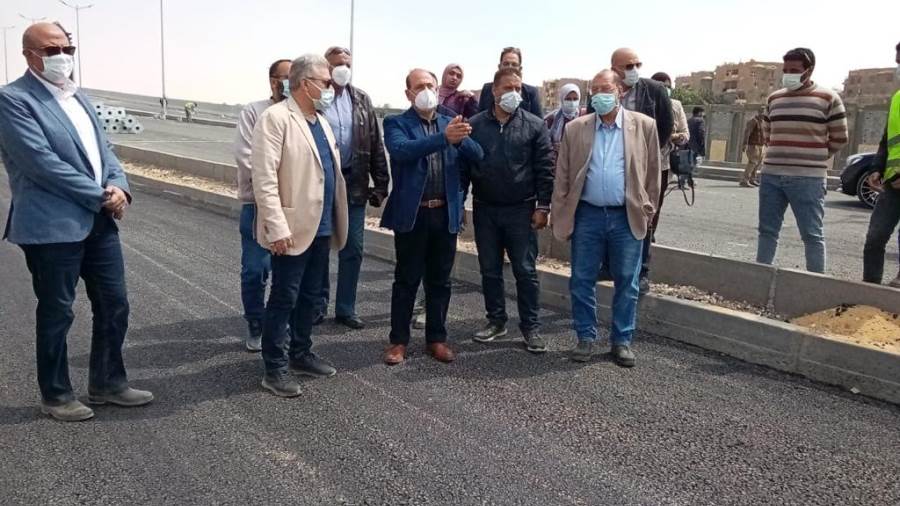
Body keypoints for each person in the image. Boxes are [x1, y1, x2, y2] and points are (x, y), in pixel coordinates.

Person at [0, 22, 153, 421]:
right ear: (29, 55)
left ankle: (108, 383)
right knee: (58, 311)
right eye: (52, 50)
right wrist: (101, 196)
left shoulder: (78, 96)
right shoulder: (13, 100)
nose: (62, 57)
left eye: (67, 48)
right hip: (51, 227)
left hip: (99, 223)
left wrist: (119, 186)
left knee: (115, 303)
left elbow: (106, 151)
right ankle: (56, 394)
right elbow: (41, 164)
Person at [251, 54, 349, 397]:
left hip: (321, 226)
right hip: (291, 228)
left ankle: (301, 352)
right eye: (325, 82)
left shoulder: (320, 120)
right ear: (305, 84)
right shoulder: (276, 118)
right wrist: (276, 227)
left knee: (310, 296)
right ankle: (274, 367)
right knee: (284, 298)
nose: (330, 87)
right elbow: (264, 178)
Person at [551, 70, 661, 368]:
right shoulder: (576, 128)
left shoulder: (644, 126)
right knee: (582, 279)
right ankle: (585, 336)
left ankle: (621, 340)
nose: (600, 95)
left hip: (626, 216)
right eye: (595, 90)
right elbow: (563, 174)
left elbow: (653, 173)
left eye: (606, 89)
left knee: (627, 281)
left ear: (620, 91)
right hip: (587, 215)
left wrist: (648, 208)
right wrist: (560, 211)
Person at [380, 68, 483, 366]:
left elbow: (478, 155)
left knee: (440, 281)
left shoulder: (450, 121)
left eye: (430, 85)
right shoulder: (396, 123)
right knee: (406, 280)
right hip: (413, 215)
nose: (426, 90)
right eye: (420, 86)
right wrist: (444, 138)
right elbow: (401, 151)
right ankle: (398, 341)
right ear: (408, 93)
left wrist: (459, 138)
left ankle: (436, 339)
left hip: (444, 213)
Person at [462, 67, 554, 353]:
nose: (514, 93)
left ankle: (531, 327)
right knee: (489, 270)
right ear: (494, 91)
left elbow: (545, 168)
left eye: (518, 89)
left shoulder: (535, 125)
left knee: (525, 271)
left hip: (521, 211)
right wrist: (459, 207)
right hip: (485, 209)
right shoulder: (475, 125)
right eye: (508, 88)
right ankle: (496, 321)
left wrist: (543, 206)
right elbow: (464, 168)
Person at [756, 47, 848, 274]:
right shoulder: (774, 98)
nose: (789, 75)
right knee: (767, 231)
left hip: (808, 178)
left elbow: (840, 137)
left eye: (794, 70)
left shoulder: (828, 98)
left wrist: (814, 156)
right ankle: (759, 279)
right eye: (786, 70)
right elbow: (767, 133)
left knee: (812, 234)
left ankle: (815, 283)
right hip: (771, 176)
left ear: (809, 70)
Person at [317, 46, 390, 330]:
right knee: (319, 246)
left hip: (354, 184)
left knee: (353, 249)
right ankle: (317, 304)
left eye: (347, 63)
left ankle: (346, 308)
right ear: (326, 66)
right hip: (321, 183)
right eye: (337, 63)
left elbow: (374, 142)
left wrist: (381, 183)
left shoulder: (361, 99)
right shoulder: (316, 96)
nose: (343, 68)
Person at [234, 58, 291, 352]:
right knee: (255, 270)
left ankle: (280, 324)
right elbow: (248, 158)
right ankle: (256, 322)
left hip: (293, 208)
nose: (292, 82)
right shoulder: (253, 112)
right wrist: (276, 190)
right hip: (258, 205)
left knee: (288, 272)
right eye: (287, 77)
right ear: (273, 81)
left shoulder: (301, 115)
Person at [609, 48, 673, 295]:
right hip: (614, 166)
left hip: (647, 167)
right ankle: (610, 266)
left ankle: (642, 272)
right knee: (612, 214)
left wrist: (646, 157)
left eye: (637, 65)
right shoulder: (606, 90)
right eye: (628, 66)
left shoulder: (654, 91)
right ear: (614, 68)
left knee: (644, 216)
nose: (633, 70)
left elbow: (665, 127)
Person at [862, 42, 900, 288]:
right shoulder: (897, 98)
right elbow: (888, 139)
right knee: (875, 238)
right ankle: (870, 289)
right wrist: (876, 168)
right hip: (892, 184)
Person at [649, 72, 689, 236]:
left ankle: (650, 236)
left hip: (663, 163)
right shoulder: (643, 103)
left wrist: (674, 136)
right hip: (641, 162)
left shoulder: (676, 106)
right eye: (661, 86)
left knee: (656, 203)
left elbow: (685, 134)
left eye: (667, 86)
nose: (665, 90)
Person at [477, 47, 543, 117]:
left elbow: (538, 121)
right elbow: (480, 117)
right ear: (499, 67)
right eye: (506, 64)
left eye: (514, 65)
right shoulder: (487, 89)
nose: (510, 67)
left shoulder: (531, 92)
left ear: (520, 69)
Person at [544, 83, 583, 167]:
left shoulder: (584, 117)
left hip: (579, 163)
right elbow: (545, 143)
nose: (572, 102)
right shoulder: (551, 119)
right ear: (562, 99)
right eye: (568, 99)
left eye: (575, 99)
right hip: (557, 164)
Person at [740, 107, 767, 187]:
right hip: (753, 145)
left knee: (758, 163)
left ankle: (752, 179)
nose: (764, 114)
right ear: (759, 112)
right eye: (762, 112)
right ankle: (745, 180)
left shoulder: (763, 122)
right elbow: (747, 132)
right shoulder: (753, 121)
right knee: (752, 162)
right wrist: (745, 144)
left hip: (761, 145)